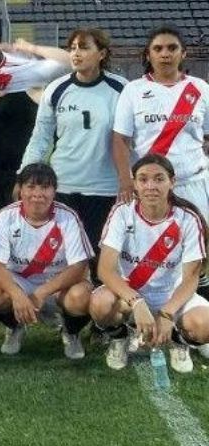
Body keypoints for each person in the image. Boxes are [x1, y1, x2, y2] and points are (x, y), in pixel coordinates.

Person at [112, 25, 209, 307]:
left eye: (171, 48)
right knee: (147, 245)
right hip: (149, 186)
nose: (165, 54)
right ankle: (136, 307)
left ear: (183, 53)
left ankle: (195, 307)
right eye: (158, 49)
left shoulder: (200, 89)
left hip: (193, 181)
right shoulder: (134, 90)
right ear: (149, 54)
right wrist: (126, 181)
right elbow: (120, 140)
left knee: (199, 245)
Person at [20, 28, 127, 279]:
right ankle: (71, 314)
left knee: (104, 261)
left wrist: (129, 179)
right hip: (64, 185)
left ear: (101, 53)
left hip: (105, 188)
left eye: (84, 47)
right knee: (66, 258)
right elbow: (40, 138)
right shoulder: (56, 89)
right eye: (73, 48)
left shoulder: (120, 89)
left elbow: (129, 139)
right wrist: (24, 175)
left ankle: (106, 314)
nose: (76, 53)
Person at [90, 154, 209, 373]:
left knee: (204, 325)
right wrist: (137, 303)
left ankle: (177, 340)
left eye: (159, 179)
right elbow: (105, 270)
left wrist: (167, 314)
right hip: (130, 293)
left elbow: (192, 278)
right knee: (100, 304)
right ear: (134, 183)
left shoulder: (188, 218)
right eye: (143, 179)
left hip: (173, 295)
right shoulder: (121, 212)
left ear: (172, 182)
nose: (151, 186)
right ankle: (121, 337)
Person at [0, 163, 93, 359]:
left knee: (81, 297)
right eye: (31, 187)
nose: (37, 194)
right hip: (20, 281)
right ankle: (15, 327)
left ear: (54, 190)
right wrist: (17, 295)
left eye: (44, 187)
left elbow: (79, 266)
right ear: (20, 189)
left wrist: (41, 293)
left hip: (57, 284)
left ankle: (71, 332)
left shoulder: (68, 217)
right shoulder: (6, 216)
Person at [0, 38, 70, 240]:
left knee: (27, 234)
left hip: (23, 174)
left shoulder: (31, 78)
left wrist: (31, 47)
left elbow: (68, 62)